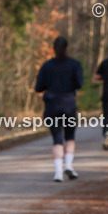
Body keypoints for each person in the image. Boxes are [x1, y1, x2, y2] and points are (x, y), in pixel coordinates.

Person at [34, 36, 83, 181]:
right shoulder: (74, 65)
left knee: (57, 139)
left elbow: (38, 87)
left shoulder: (47, 66)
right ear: (67, 48)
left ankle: (58, 173)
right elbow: (79, 84)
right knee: (70, 137)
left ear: (53, 49)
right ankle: (68, 165)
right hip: (68, 104)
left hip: (52, 105)